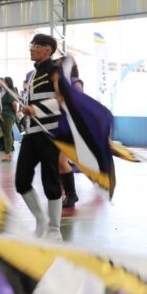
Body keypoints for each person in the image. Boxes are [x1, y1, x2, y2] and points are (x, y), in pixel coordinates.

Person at [17, 34, 65, 240]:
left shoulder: (56, 71)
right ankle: (41, 219)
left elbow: (63, 101)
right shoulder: (31, 75)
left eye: (37, 46)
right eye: (32, 45)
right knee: (21, 181)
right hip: (31, 134)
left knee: (50, 180)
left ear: (48, 50)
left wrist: (35, 110)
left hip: (49, 134)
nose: (32, 49)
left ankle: (55, 229)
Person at [58, 70, 82, 209]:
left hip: (70, 129)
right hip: (61, 128)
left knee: (62, 161)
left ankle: (71, 194)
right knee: (59, 162)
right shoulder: (61, 84)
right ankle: (69, 193)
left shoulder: (75, 84)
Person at [0, 77, 18, 162]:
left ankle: (7, 153)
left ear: (7, 83)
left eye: (3, 82)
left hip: (8, 115)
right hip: (4, 115)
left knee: (7, 134)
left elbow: (14, 104)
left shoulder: (10, 92)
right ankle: (8, 153)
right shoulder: (5, 92)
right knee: (6, 134)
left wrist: (15, 114)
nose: (2, 83)